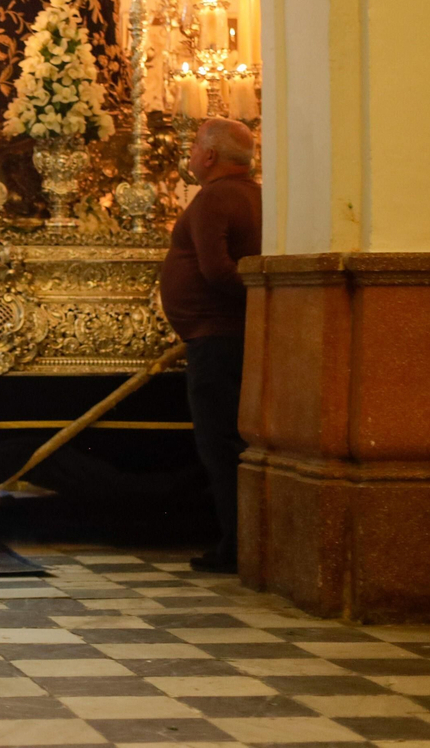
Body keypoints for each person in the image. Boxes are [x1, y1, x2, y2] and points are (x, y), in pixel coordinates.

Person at [159, 117, 262, 574]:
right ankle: (241, 543)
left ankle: (235, 549)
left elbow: (218, 271)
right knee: (229, 443)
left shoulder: (215, 198)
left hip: (215, 341)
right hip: (230, 336)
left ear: (211, 156)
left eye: (197, 144)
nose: (192, 152)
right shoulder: (255, 194)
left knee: (219, 446)